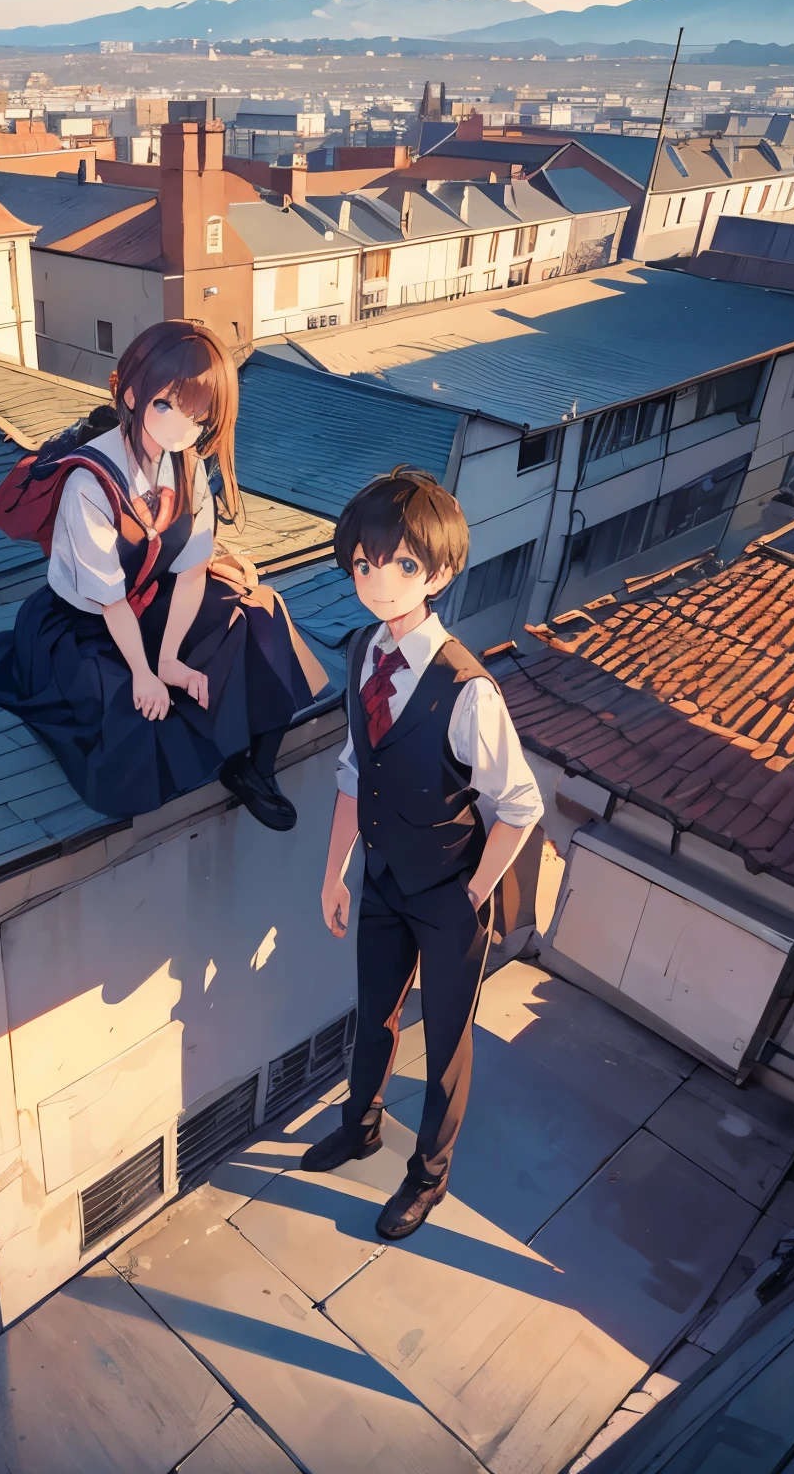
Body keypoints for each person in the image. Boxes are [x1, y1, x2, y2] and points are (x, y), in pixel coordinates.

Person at [300, 468, 543, 1240]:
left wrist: (470, 896)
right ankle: (360, 1126)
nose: (378, 581)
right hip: (381, 880)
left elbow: (520, 807)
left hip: (447, 895)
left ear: (439, 572)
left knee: (444, 1043)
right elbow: (352, 767)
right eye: (366, 564)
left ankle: (428, 1176)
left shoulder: (469, 690)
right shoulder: (363, 653)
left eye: (403, 565)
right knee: (372, 1017)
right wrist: (335, 869)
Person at [0, 320, 327, 828]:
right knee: (135, 715)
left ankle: (253, 766)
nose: (183, 426)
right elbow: (109, 601)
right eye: (168, 405)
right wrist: (145, 672)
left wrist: (172, 658)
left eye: (200, 415)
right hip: (82, 623)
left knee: (260, 613)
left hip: (151, 599)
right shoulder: (87, 481)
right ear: (132, 394)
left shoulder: (190, 466)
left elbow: (192, 571)